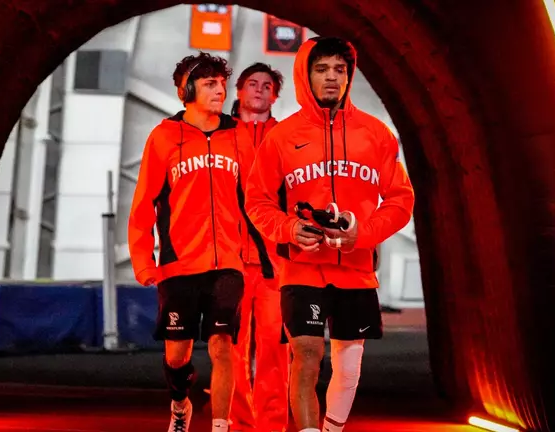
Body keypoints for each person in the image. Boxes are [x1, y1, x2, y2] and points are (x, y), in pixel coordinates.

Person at [244, 37, 415, 432]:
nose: (332, 78)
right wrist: (288, 228)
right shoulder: (281, 138)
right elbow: (257, 201)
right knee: (306, 353)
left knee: (348, 367)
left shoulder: (376, 134)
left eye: (340, 69)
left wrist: (363, 234)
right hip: (302, 269)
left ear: (349, 75)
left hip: (356, 269)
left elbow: (401, 199)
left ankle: (331, 429)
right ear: (306, 75)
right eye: (322, 70)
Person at [128, 52, 253, 432]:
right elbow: (143, 203)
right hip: (178, 264)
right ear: (187, 89)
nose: (220, 89)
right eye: (210, 83)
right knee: (177, 355)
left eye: (221, 83)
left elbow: (256, 200)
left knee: (222, 345)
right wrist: (143, 260)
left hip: (229, 262)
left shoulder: (239, 136)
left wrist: (258, 253)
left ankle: (220, 424)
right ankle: (180, 403)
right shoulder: (164, 137)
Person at [228, 63, 289, 432]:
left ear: (275, 95)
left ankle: (272, 426)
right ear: (239, 90)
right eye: (252, 84)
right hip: (229, 260)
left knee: (275, 351)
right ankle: (236, 423)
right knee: (230, 351)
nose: (260, 91)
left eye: (267, 86)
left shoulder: (286, 137)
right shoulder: (218, 135)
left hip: (275, 264)